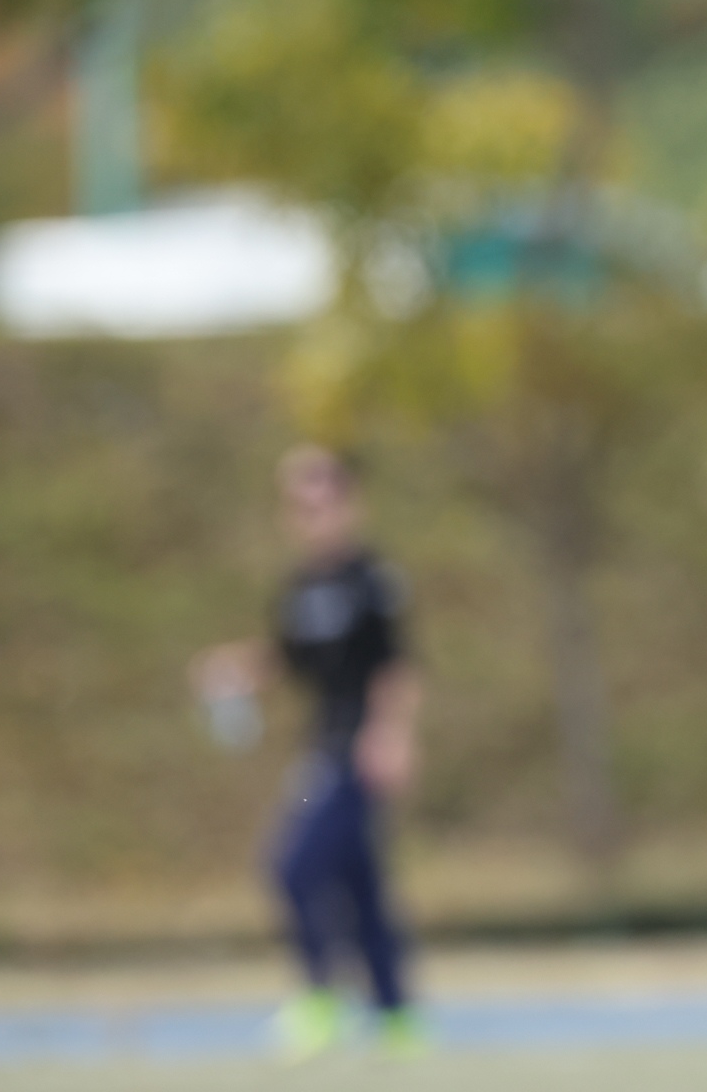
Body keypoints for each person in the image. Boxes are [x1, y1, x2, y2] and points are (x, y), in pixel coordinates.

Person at [190, 445, 423, 1060]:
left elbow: (396, 665)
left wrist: (392, 733)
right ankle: (397, 1015)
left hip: (357, 749)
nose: (311, 515)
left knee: (293, 867)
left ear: (349, 504)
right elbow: (290, 658)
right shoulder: (299, 587)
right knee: (360, 880)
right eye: (299, 504)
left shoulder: (372, 578)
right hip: (324, 740)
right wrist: (233, 669)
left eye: (322, 501)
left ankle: (322, 998)